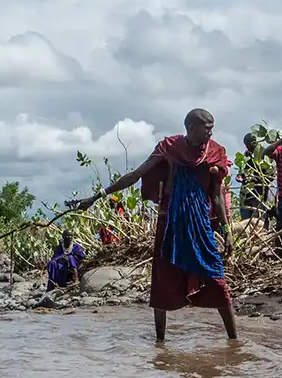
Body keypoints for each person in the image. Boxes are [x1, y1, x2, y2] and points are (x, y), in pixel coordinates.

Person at [69, 108, 238, 342]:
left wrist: (227, 231)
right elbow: (135, 175)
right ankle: (160, 343)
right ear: (191, 127)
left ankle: (234, 341)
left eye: (212, 129)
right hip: (170, 227)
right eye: (206, 129)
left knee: (218, 280)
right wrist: (96, 196)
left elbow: (217, 196)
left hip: (200, 227)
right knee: (162, 281)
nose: (210, 133)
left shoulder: (215, 152)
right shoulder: (169, 148)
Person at [236, 132, 274, 221]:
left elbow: (271, 175)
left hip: (258, 195)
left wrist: (256, 179)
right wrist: (240, 176)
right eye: (246, 145)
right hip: (245, 195)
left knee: (259, 221)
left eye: (249, 144)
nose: (247, 147)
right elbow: (242, 171)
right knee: (245, 222)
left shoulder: (264, 154)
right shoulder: (246, 156)